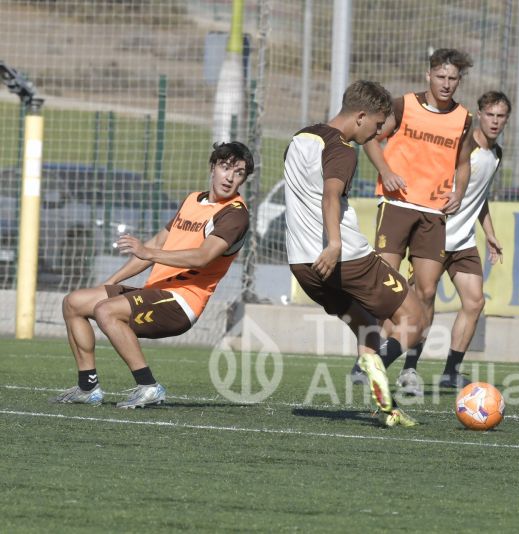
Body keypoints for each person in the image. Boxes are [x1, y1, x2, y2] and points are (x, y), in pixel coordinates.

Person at [53, 141, 254, 408]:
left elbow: (202, 257)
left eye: (239, 173)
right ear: (212, 167)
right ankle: (87, 387)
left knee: (105, 311)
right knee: (74, 302)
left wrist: (148, 252)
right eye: (225, 167)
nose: (230, 177)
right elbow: (158, 243)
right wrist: (112, 282)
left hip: (181, 302)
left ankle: (148, 386)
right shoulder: (193, 200)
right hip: (155, 291)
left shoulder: (235, 215)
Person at [283, 80, 423, 427]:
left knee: (367, 328)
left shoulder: (301, 138)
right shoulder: (343, 149)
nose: (377, 133)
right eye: (377, 125)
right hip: (344, 258)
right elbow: (330, 196)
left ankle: (387, 408)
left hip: (303, 264)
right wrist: (334, 244)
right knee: (414, 318)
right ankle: (373, 366)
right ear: (360, 116)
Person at [350, 48, 474, 396]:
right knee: (384, 287)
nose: (446, 83)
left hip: (433, 214)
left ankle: (409, 369)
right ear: (428, 75)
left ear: (459, 81)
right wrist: (386, 171)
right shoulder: (404, 105)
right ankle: (366, 358)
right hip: (397, 205)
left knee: (427, 291)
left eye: (453, 78)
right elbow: (370, 139)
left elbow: (463, 163)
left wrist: (459, 192)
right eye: (441, 76)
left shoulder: (463, 118)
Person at [437, 90, 510, 388]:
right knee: (417, 304)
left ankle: (450, 372)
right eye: (490, 114)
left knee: (475, 302)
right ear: (480, 115)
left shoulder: (496, 154)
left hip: (464, 241)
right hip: (436, 236)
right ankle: (404, 368)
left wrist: (489, 233)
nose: (495, 121)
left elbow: (480, 197)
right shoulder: (464, 147)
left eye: (501, 116)